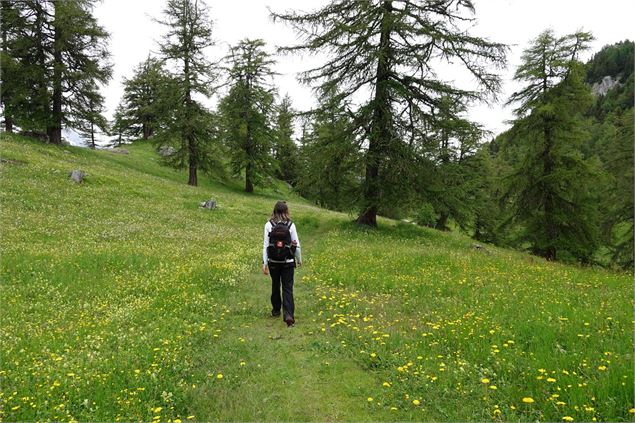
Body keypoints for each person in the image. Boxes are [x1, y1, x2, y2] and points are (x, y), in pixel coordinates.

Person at [262, 201, 302, 327]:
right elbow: (296, 244)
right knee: (287, 288)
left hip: (273, 261)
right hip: (288, 261)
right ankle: (289, 315)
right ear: (286, 211)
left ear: (274, 211)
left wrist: (264, 262)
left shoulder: (268, 224)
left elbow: (266, 245)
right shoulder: (291, 225)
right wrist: (299, 259)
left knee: (275, 284)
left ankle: (275, 310)